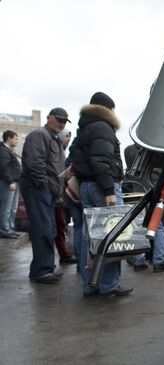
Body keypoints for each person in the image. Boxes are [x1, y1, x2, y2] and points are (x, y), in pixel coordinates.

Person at [70, 91, 132, 297]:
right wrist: (108, 189)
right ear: (107, 109)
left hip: (87, 186)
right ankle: (109, 285)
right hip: (102, 187)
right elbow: (101, 160)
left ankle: (90, 284)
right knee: (113, 236)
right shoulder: (103, 128)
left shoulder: (84, 129)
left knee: (90, 238)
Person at [20, 107, 70, 283]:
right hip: (38, 188)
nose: (62, 124)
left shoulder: (53, 139)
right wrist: (45, 184)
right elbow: (34, 162)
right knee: (43, 227)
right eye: (59, 120)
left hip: (45, 188)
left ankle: (45, 268)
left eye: (64, 121)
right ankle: (41, 271)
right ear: (49, 118)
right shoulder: (40, 135)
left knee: (49, 228)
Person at [54, 128, 76, 264]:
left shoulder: (63, 154)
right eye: (66, 136)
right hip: (58, 195)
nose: (67, 139)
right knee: (59, 225)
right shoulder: (57, 154)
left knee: (62, 224)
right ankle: (63, 253)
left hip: (64, 195)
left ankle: (64, 252)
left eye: (69, 136)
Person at [0, 130, 22, 239]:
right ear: (9, 138)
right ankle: (5, 230)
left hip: (14, 182)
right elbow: (4, 167)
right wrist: (9, 181)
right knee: (6, 208)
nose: (17, 141)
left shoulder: (9, 150)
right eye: (15, 138)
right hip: (8, 183)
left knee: (13, 208)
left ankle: (10, 228)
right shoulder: (3, 151)